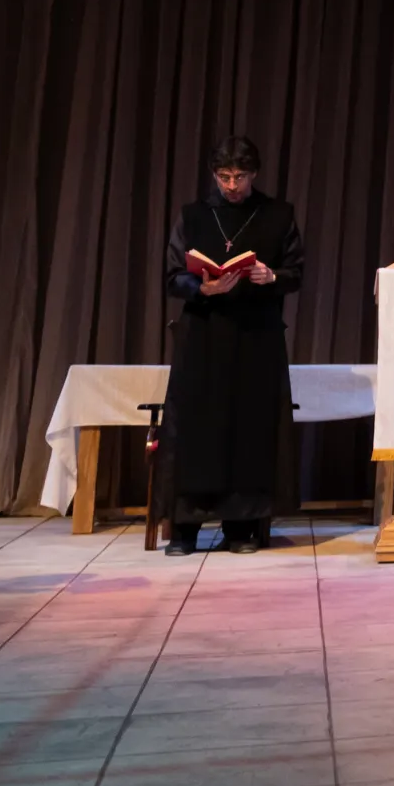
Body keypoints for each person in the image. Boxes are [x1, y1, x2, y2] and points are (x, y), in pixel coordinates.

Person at [162, 137, 305, 556]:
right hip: (203, 337)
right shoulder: (193, 215)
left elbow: (295, 273)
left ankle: (240, 527)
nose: (231, 185)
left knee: (249, 430)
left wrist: (271, 276)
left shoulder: (278, 215)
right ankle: (186, 530)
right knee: (195, 429)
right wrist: (201, 286)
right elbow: (172, 275)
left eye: (239, 177)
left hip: (256, 337)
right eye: (223, 177)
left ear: (254, 174)